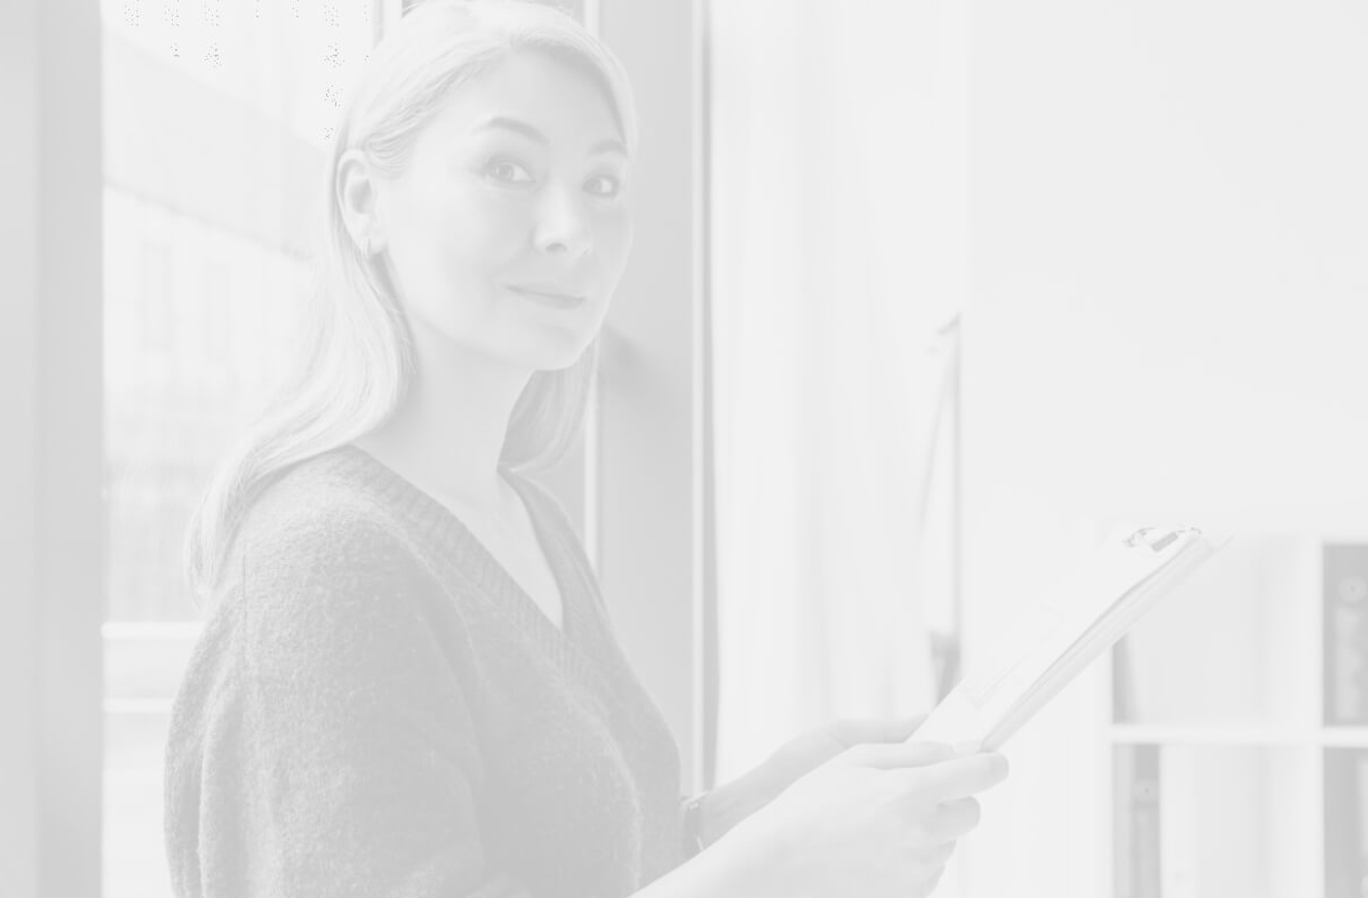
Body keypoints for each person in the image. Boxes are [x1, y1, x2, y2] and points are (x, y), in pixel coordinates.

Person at [163, 1, 1009, 896]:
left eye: (603, 182)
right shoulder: (324, 563)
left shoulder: (525, 523)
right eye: (507, 168)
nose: (572, 227)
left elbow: (587, 866)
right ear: (365, 202)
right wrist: (777, 864)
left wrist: (761, 806)